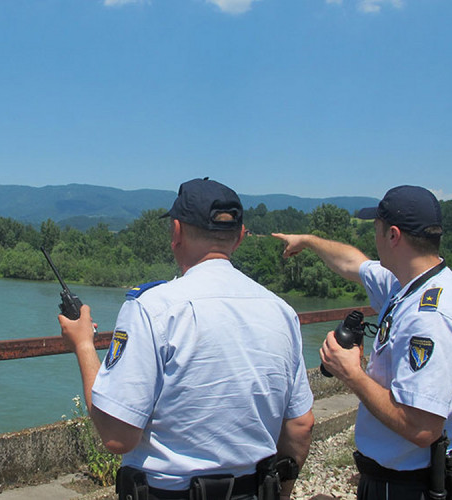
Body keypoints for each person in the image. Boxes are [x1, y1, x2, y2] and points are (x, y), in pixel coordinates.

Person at [58, 178, 314, 500]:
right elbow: (301, 425)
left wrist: (83, 345)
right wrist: (279, 492)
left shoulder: (153, 308)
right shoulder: (282, 312)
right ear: (240, 236)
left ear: (176, 231)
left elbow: (117, 436)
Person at [273, 185, 452, 500]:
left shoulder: (431, 317)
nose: (374, 237)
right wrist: (308, 241)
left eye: (377, 229)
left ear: (393, 235)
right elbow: (352, 263)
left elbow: (421, 428)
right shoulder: (408, 285)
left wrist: (352, 373)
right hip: (397, 480)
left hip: (409, 487)